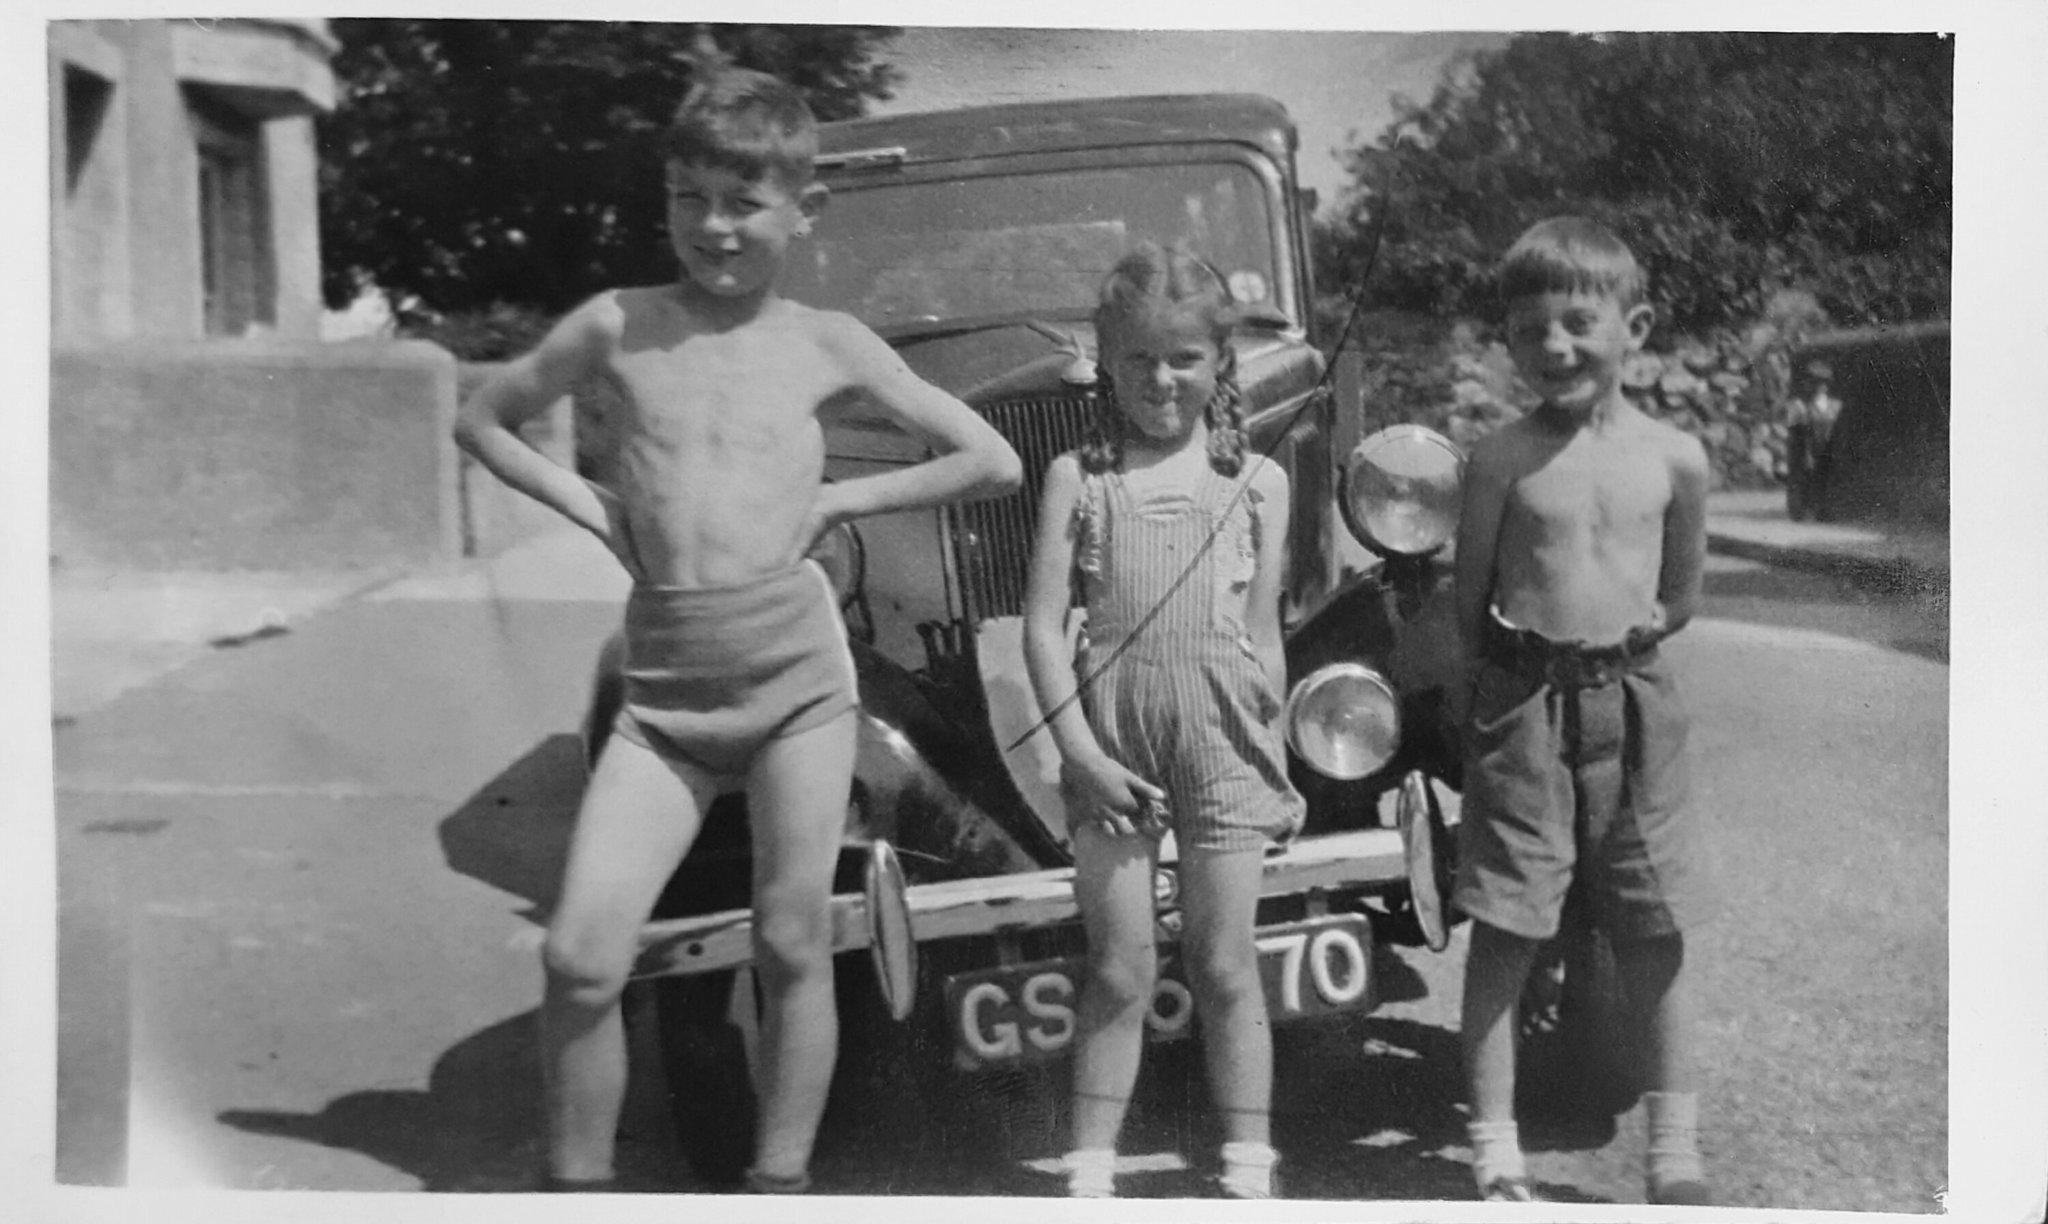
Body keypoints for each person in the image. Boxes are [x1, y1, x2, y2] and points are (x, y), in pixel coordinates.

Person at [454, 68, 1021, 1193]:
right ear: (666, 199)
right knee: (578, 959)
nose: (713, 227)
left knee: (791, 941)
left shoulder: (828, 341)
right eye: (689, 198)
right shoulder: (619, 323)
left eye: (742, 202)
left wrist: (835, 502)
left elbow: (989, 459)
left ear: (800, 212)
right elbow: (483, 417)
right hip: (664, 695)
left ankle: (779, 1184)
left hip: (794, 687)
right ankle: (574, 1192)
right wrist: (597, 511)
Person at [1021, 242, 1303, 1200]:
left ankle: (1249, 1174)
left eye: (1184, 356)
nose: (1162, 379)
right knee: (1121, 967)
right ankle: (1091, 1174)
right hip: (1112, 749)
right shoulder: (1078, 477)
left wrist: (1277, 764)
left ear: (1221, 360)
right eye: (1139, 358)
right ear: (1108, 359)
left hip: (1225, 745)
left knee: (1226, 967)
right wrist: (1078, 754)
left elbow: (1263, 638)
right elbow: (1044, 634)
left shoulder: (1259, 483)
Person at [1451, 217, 1716, 1205]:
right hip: (1525, 704)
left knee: (1653, 924)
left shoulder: (1676, 457)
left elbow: (1678, 594)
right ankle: (1493, 1149)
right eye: (1528, 331)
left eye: (1577, 320)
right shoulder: (1499, 459)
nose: (1553, 346)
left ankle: (1673, 1153)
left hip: (1635, 701)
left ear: (1631, 327)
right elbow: (1468, 601)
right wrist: (1488, 717)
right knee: (1507, 923)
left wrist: (1624, 651)